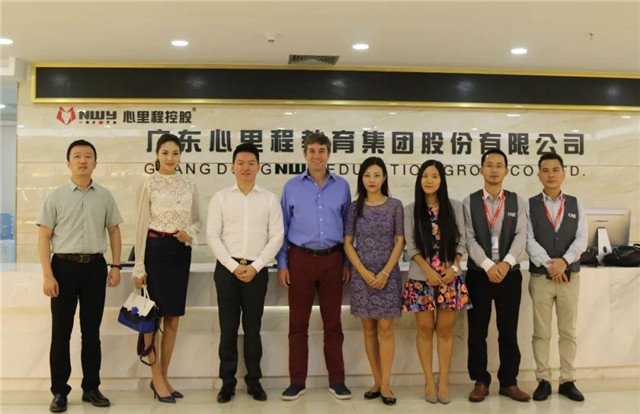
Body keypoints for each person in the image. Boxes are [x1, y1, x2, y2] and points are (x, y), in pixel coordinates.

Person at [37, 139, 123, 413]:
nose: (83, 160)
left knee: (91, 332)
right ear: (69, 163)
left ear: (95, 163)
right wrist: (48, 275)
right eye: (77, 156)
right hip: (63, 268)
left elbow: (114, 231)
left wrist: (116, 266)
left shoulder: (105, 195)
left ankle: (91, 388)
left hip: (95, 268)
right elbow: (44, 236)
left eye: (88, 156)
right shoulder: (55, 196)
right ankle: (59, 391)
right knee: (61, 332)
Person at [277, 132, 352, 401]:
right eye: (312, 151)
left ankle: (337, 380)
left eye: (321, 150)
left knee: (333, 323)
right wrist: (283, 263)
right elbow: (283, 227)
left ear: (329, 154)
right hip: (300, 260)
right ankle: (297, 381)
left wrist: (346, 262)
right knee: (298, 324)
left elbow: (348, 227)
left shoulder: (342, 186)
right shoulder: (292, 187)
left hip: (333, 260)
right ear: (304, 154)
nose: (317, 156)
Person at [206, 143, 284, 403]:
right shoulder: (220, 198)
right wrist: (233, 266)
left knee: (253, 328)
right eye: (240, 163)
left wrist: (256, 266)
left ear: (258, 167)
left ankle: (254, 381)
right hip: (227, 270)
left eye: (251, 163)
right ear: (232, 167)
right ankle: (227, 383)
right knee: (227, 328)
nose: (246, 168)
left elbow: (277, 236)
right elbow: (212, 236)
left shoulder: (269, 199)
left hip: (257, 271)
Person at [133, 133, 201, 403]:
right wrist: (139, 266)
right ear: (157, 155)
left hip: (180, 252)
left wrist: (189, 232)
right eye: (165, 153)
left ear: (181, 155)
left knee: (173, 317)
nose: (170, 158)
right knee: (151, 317)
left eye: (175, 153)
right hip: (154, 250)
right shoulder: (148, 183)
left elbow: (198, 221)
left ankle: (163, 375)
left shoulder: (189, 183)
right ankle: (156, 377)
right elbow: (140, 224)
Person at [463, 148, 530, 403]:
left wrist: (505, 264)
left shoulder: (516, 201)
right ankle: (480, 381)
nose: (494, 169)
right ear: (481, 169)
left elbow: (521, 235)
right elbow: (469, 238)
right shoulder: (469, 202)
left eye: (499, 165)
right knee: (477, 331)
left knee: (508, 330)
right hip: (479, 275)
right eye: (489, 165)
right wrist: (489, 265)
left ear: (506, 170)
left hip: (509, 275)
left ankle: (509, 382)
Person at [402, 160, 470, 404]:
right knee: (424, 330)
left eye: (434, 176)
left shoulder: (455, 207)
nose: (429, 180)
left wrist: (453, 268)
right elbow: (411, 247)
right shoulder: (411, 210)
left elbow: (462, 243)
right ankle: (429, 379)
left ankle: (443, 381)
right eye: (425, 176)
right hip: (422, 280)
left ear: (442, 180)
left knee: (445, 330)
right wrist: (428, 271)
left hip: (449, 279)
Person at [343, 157, 405, 406]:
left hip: (387, 276)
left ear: (384, 178)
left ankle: (387, 384)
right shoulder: (354, 207)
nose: (372, 180)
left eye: (377, 175)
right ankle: (377, 381)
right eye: (367, 175)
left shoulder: (395, 205)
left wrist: (385, 273)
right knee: (368, 329)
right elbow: (348, 243)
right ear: (361, 178)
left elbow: (400, 240)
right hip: (362, 276)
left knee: (386, 329)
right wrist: (363, 272)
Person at [526, 153, 587, 402]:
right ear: (538, 175)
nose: (551, 174)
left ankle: (567, 380)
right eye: (545, 170)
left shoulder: (575, 203)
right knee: (541, 332)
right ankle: (543, 379)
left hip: (569, 277)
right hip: (541, 277)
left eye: (555, 169)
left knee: (568, 331)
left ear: (563, 173)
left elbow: (582, 238)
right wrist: (550, 264)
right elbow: (528, 239)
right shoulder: (529, 205)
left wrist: (564, 261)